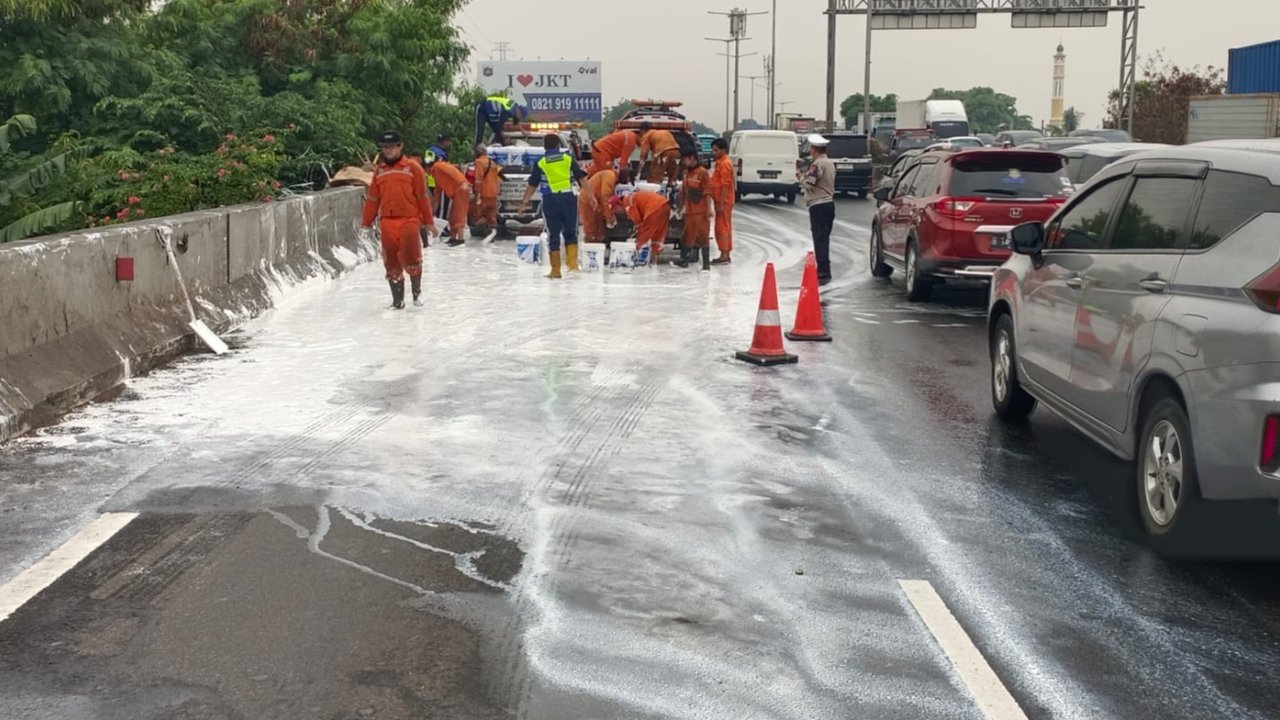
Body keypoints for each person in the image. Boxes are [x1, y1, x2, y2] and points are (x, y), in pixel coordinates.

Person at [360, 130, 437, 309]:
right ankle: (397, 301)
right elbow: (373, 199)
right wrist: (366, 223)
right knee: (391, 260)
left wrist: (429, 222)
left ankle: (416, 295)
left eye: (391, 147)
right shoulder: (379, 170)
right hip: (387, 221)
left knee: (411, 256)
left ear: (400, 146)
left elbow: (422, 196)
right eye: (384, 148)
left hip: (409, 219)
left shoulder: (413, 168)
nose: (388, 151)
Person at [516, 133, 592, 279]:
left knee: (553, 234)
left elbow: (532, 185)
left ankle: (556, 271)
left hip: (550, 201)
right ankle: (573, 267)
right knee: (571, 232)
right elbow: (581, 179)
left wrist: (523, 204)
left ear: (544, 147)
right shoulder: (568, 159)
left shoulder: (541, 163)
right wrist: (591, 197)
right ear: (558, 145)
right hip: (568, 199)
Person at [801, 133, 837, 284]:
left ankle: (822, 270)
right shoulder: (830, 163)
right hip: (829, 203)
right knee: (825, 237)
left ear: (814, 149)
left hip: (818, 205)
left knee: (819, 239)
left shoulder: (817, 165)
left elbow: (810, 183)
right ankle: (825, 268)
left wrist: (800, 176)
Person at [675, 150, 712, 270]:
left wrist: (709, 208)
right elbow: (683, 192)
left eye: (685, 159)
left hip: (701, 211)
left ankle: (706, 265)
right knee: (687, 236)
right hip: (689, 211)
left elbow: (707, 192)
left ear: (692, 158)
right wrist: (679, 208)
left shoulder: (703, 173)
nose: (684, 162)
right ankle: (684, 260)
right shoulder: (686, 173)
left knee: (703, 237)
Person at [425, 154, 472, 247]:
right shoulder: (436, 174)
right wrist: (432, 213)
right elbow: (437, 195)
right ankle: (453, 237)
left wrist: (462, 183)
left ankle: (461, 239)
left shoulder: (438, 166)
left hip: (461, 188)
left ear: (427, 166)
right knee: (452, 216)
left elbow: (452, 171)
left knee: (459, 215)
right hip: (458, 191)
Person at [581, 167, 631, 244]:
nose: (627, 182)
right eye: (628, 179)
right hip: (588, 200)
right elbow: (606, 197)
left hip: (596, 202)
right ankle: (591, 250)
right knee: (591, 229)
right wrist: (609, 217)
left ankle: (599, 248)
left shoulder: (613, 178)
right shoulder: (610, 176)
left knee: (600, 230)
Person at [708, 137, 735, 265]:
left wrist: (720, 202)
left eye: (716, 150)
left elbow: (725, 184)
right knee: (725, 226)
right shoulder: (721, 162)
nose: (713, 153)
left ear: (723, 150)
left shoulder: (725, 164)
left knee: (721, 228)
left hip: (723, 201)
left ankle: (724, 254)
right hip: (722, 200)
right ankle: (725, 253)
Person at [624, 190, 671, 264]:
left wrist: (638, 234)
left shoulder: (627, 203)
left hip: (654, 208)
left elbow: (638, 221)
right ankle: (654, 257)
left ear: (618, 205)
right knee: (659, 233)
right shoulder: (633, 197)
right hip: (665, 205)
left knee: (644, 235)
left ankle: (636, 258)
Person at [470, 144, 502, 235]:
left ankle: (483, 233)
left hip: (484, 193)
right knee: (492, 217)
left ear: (478, 152)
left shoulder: (479, 162)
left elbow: (478, 179)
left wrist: (476, 194)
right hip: (493, 194)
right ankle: (492, 235)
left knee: (479, 216)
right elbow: (497, 179)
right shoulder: (492, 163)